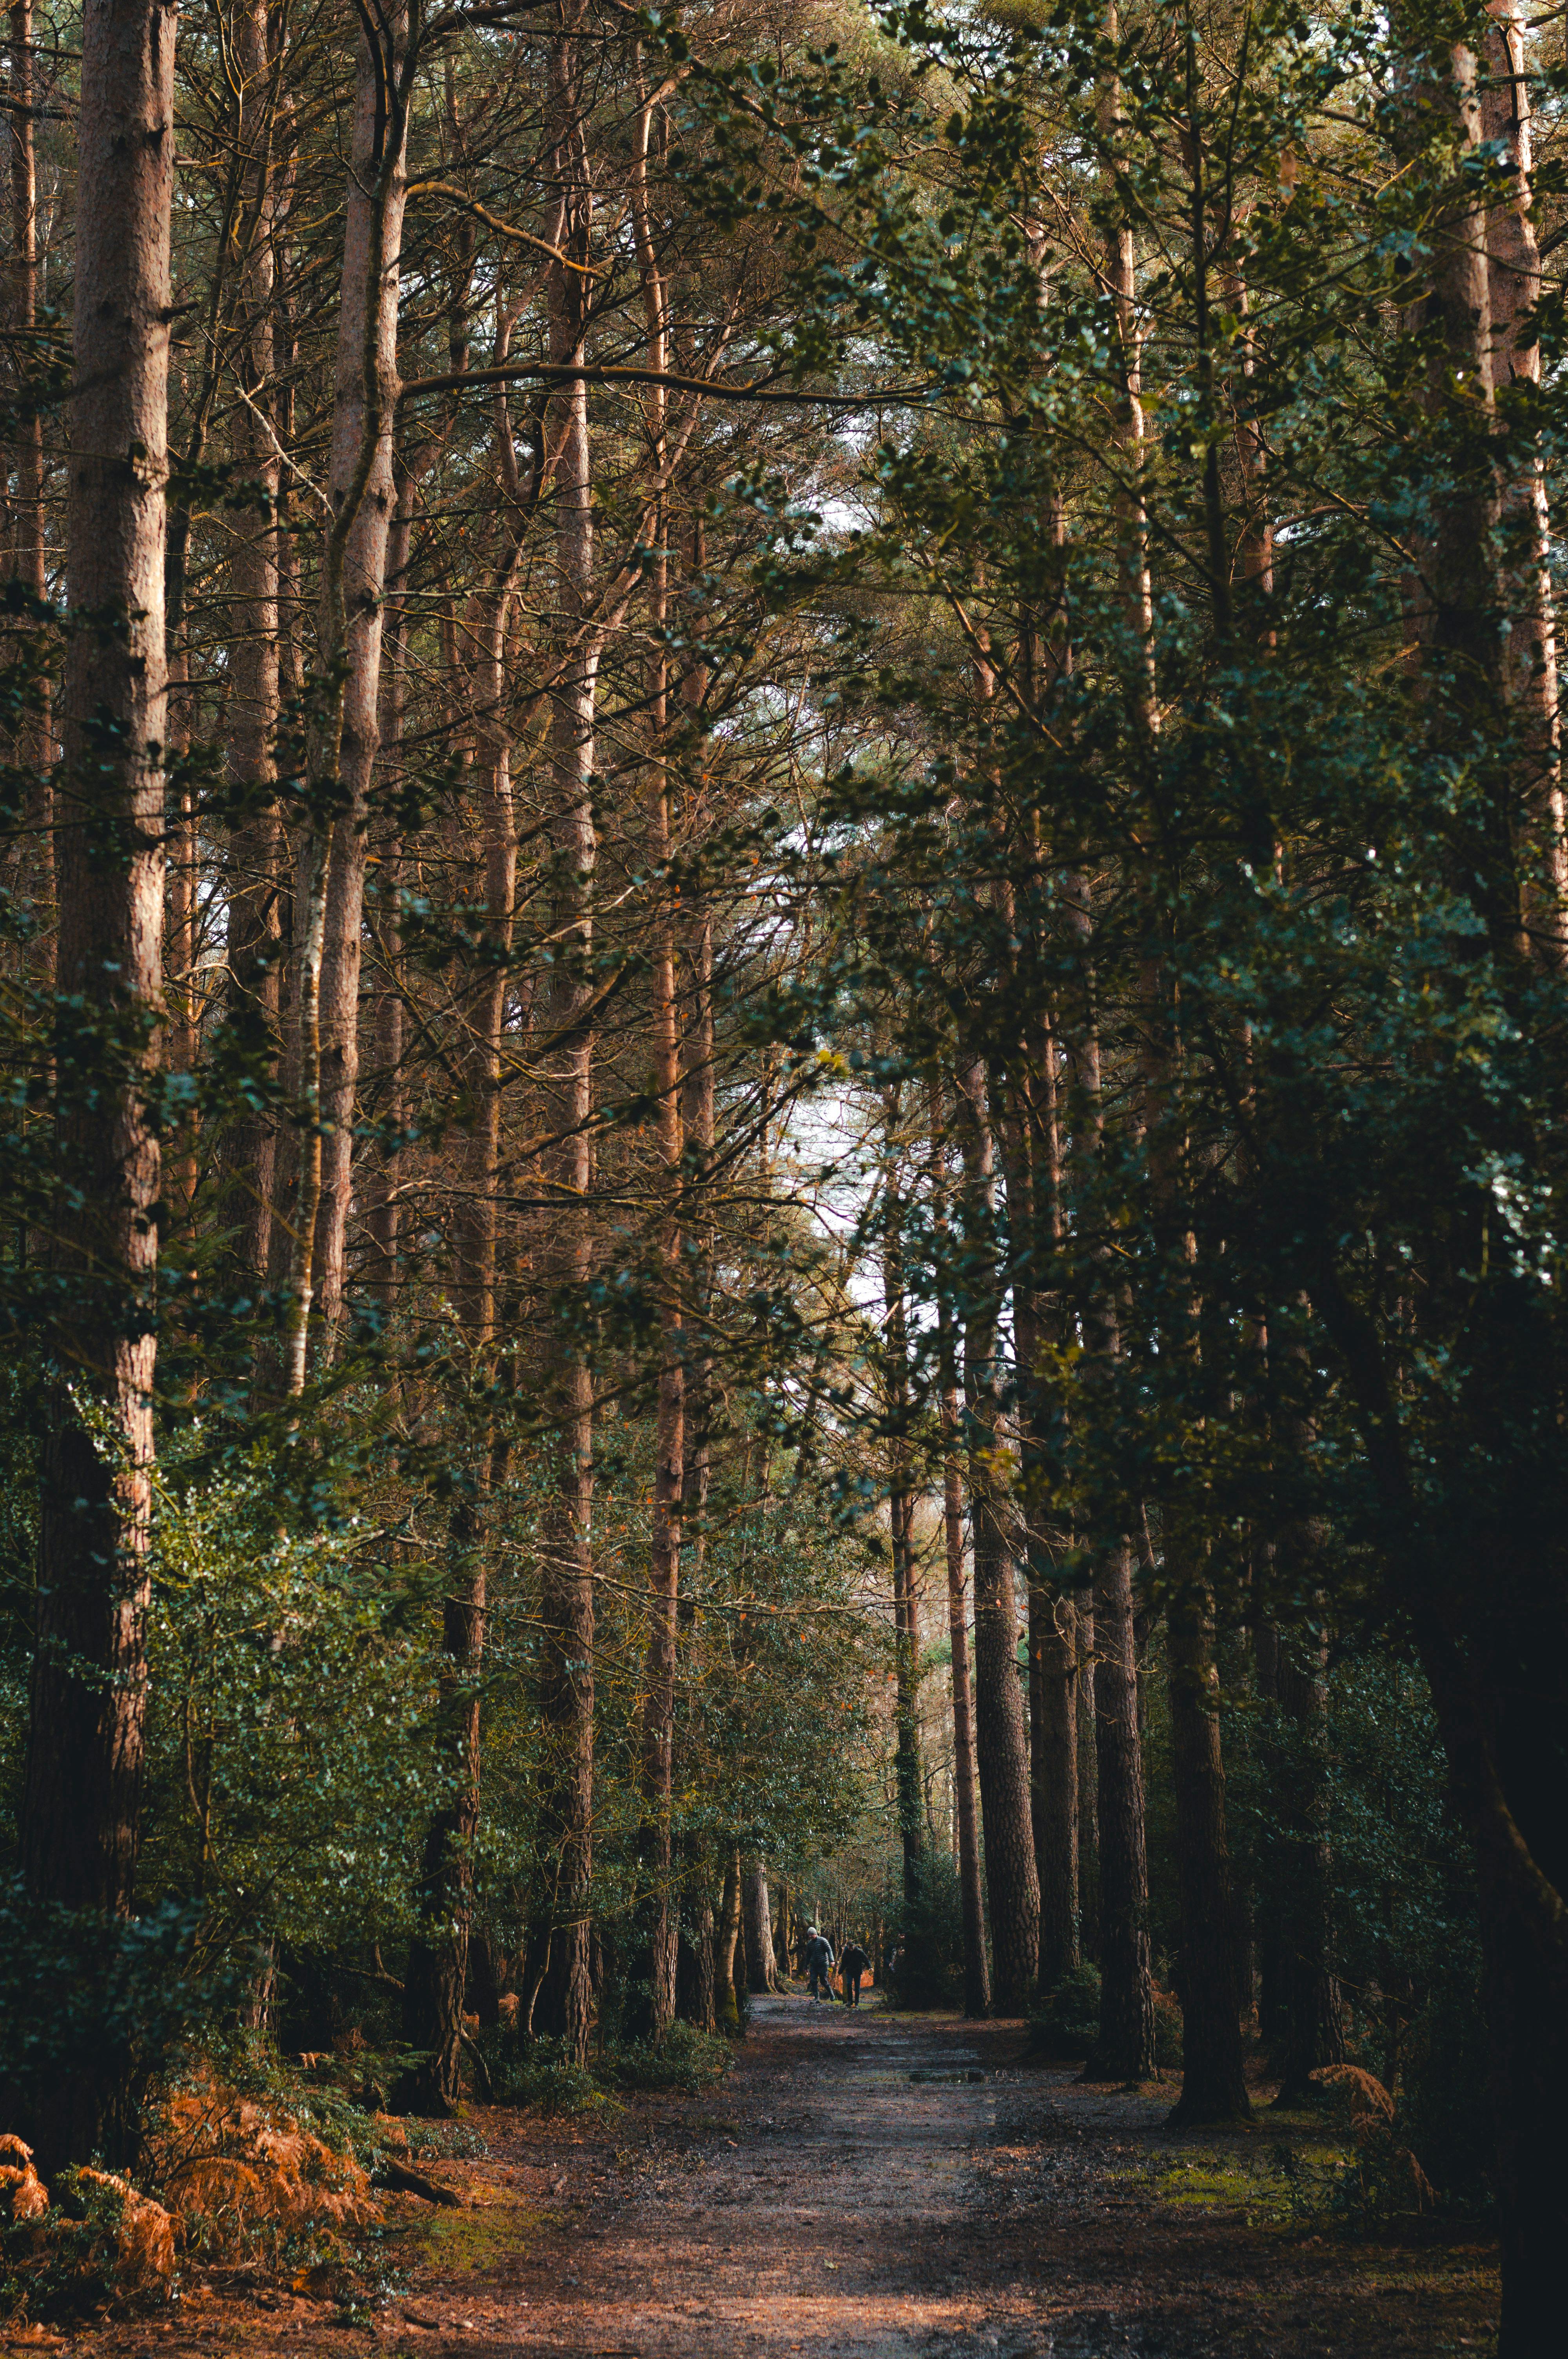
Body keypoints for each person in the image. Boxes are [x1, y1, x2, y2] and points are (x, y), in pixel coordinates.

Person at [802, 1925, 835, 2001]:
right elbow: (808, 1956)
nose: (810, 1936)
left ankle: (832, 1994)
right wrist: (806, 1967)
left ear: (815, 1934)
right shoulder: (810, 1944)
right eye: (809, 1935)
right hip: (814, 1965)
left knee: (824, 1981)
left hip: (823, 1964)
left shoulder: (823, 1941)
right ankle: (817, 1998)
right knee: (813, 1981)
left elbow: (829, 1950)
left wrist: (832, 1960)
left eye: (812, 1935)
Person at [838, 1936, 870, 2007]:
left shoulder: (859, 1952)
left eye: (852, 1948)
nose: (851, 1949)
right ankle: (850, 2001)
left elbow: (866, 1960)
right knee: (849, 1984)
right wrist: (840, 1972)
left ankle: (857, 2003)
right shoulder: (846, 1953)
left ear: (854, 1946)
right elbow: (843, 1963)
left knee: (857, 1987)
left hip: (857, 1971)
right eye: (850, 1948)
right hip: (849, 1971)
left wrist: (870, 1967)